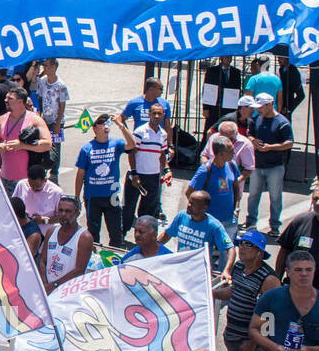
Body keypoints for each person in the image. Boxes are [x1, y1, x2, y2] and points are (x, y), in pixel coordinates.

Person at [73, 114, 135, 248]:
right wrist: (76, 196)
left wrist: (120, 125)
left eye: (107, 123)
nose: (105, 126)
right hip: (93, 196)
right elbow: (80, 174)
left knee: (116, 232)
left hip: (112, 195)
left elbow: (132, 143)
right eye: (101, 123)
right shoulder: (86, 148)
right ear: (94, 128)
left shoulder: (116, 144)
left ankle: (115, 257)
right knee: (93, 232)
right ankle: (94, 258)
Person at [244, 93, 292, 238]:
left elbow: (289, 143)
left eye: (261, 107)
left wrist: (270, 147)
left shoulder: (282, 122)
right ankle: (251, 222)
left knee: (275, 196)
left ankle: (275, 226)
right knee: (253, 195)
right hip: (257, 165)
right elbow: (249, 134)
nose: (258, 110)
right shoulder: (257, 119)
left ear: (270, 105)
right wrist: (253, 140)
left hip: (275, 166)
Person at [0, 86, 52, 191]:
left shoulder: (35, 120)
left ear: (20, 102)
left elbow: (48, 144)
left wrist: (22, 146)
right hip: (6, 178)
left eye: (10, 98)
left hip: (28, 181)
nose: (6, 101)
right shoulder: (1, 119)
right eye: (6, 98)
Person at [122, 102, 171, 236]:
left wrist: (167, 170)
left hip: (153, 177)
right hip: (138, 175)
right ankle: (120, 236)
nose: (156, 116)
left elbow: (162, 155)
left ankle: (143, 238)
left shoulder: (163, 135)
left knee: (148, 210)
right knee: (128, 208)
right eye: (153, 113)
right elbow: (132, 153)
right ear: (149, 114)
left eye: (159, 113)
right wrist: (134, 173)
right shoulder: (140, 132)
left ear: (163, 116)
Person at [160, 190, 236, 273]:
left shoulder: (214, 226)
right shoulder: (181, 216)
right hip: (180, 268)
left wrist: (227, 270)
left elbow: (230, 248)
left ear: (204, 208)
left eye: (193, 204)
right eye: (189, 202)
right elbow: (166, 235)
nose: (188, 205)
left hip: (200, 273)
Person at [187, 135, 240, 241]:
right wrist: (200, 212)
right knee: (209, 253)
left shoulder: (232, 165)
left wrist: (237, 208)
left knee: (226, 252)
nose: (234, 153)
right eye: (230, 151)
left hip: (229, 220)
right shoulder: (205, 171)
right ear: (220, 154)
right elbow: (189, 192)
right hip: (210, 222)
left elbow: (236, 188)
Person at [37, 196, 94, 293]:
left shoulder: (84, 238)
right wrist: (44, 284)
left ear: (77, 213)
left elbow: (79, 270)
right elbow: (42, 260)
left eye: (68, 211)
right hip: (47, 288)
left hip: (68, 291)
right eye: (61, 210)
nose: (63, 214)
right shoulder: (51, 231)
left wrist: (54, 285)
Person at [35, 58, 68, 179]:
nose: (45, 68)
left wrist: (58, 123)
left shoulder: (61, 85)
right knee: (44, 143)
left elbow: (62, 105)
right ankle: (44, 165)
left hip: (56, 121)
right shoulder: (42, 82)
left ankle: (55, 171)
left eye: (47, 66)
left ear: (54, 67)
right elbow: (39, 98)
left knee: (56, 146)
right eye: (44, 65)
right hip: (45, 118)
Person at [202, 56, 243, 136]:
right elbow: (207, 89)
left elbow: (238, 90)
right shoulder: (212, 71)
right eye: (226, 57)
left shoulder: (236, 72)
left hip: (229, 105)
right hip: (215, 104)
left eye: (230, 57)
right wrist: (206, 108)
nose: (228, 58)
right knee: (211, 127)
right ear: (221, 58)